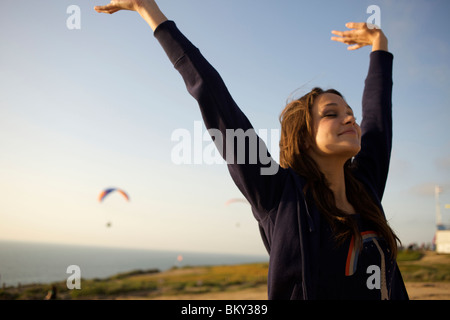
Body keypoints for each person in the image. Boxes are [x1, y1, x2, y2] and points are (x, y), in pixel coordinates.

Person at [94, 0, 409, 300]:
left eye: (350, 111)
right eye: (331, 113)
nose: (351, 118)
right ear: (303, 136)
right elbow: (213, 95)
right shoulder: (278, 194)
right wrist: (148, 10)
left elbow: (378, 116)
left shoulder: (366, 188)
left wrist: (379, 44)